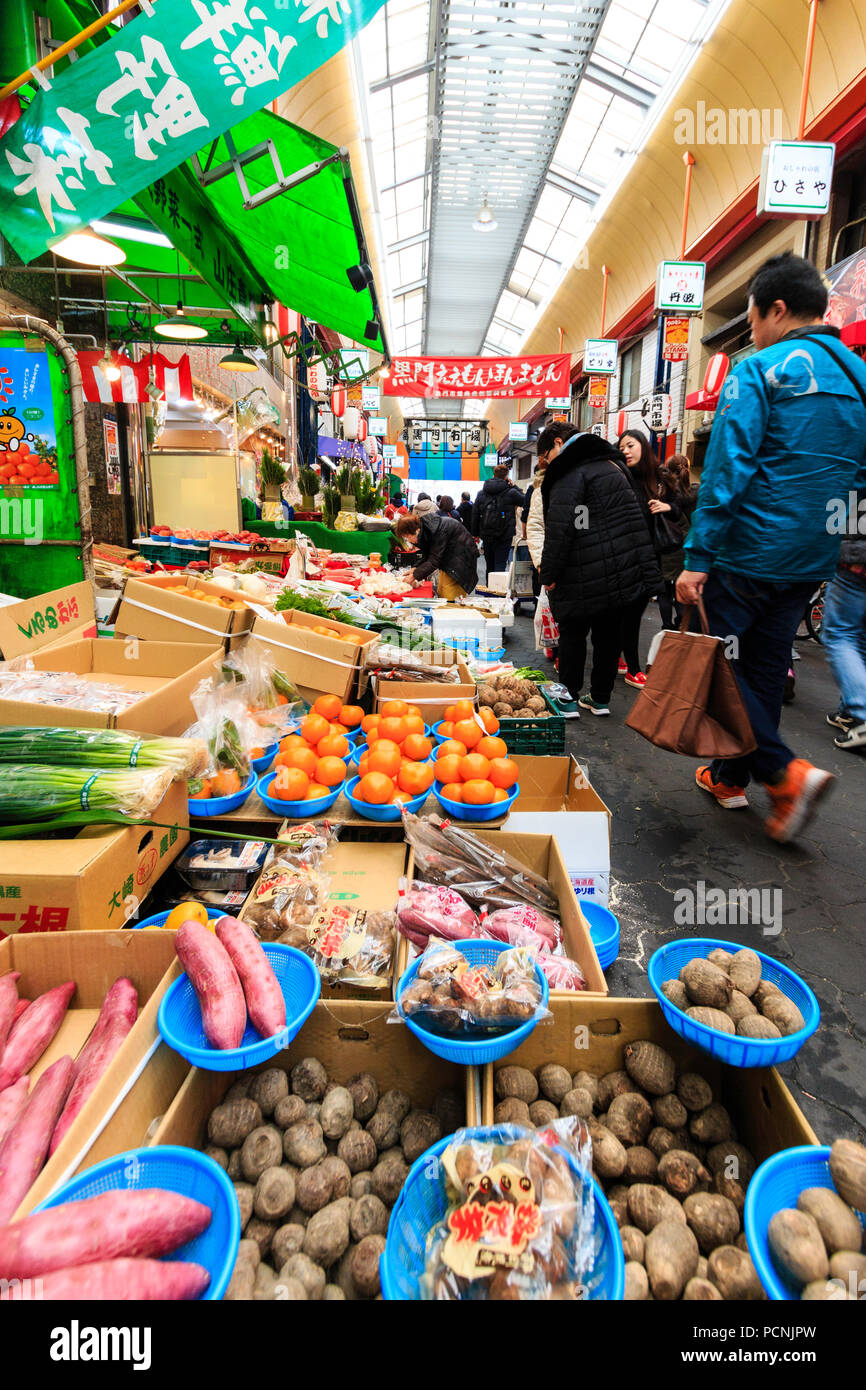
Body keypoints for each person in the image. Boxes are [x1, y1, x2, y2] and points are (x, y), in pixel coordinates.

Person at [677, 251, 866, 843]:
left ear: (777, 310)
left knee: (718, 672)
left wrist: (697, 558)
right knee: (759, 669)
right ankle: (731, 779)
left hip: (746, 553)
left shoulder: (762, 371)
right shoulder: (860, 378)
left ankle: (786, 774)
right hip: (812, 557)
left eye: (753, 320)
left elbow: (728, 470)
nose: (752, 333)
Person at [537, 423, 661, 716]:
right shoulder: (613, 466)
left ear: (558, 443)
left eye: (545, 457)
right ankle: (600, 699)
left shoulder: (570, 470)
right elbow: (635, 522)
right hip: (620, 572)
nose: (547, 464)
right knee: (608, 635)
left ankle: (567, 698)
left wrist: (549, 575)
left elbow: (561, 529)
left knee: (573, 633)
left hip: (580, 570)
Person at [616, 430, 663, 685]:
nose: (626, 451)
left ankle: (625, 660)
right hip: (622, 561)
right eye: (622, 446)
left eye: (631, 445)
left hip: (648, 560)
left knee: (632, 616)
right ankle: (632, 666)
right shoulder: (617, 478)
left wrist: (669, 507)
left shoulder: (657, 481)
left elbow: (686, 505)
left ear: (643, 447)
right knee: (625, 617)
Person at [823, 479, 866, 752]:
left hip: (857, 554)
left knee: (839, 634)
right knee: (859, 635)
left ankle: (862, 709)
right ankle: (848, 710)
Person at [655, 454, 698, 629]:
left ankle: (666, 625)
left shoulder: (665, 492)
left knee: (665, 590)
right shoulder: (695, 492)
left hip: (666, 544)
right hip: (686, 545)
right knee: (681, 587)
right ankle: (681, 621)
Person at [393, 511, 478, 600]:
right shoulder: (427, 529)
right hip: (450, 560)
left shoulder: (438, 530)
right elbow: (429, 554)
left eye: (408, 537)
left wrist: (414, 576)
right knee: (442, 590)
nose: (409, 541)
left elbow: (434, 561)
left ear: (416, 531)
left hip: (461, 561)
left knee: (449, 595)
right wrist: (415, 568)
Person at [471, 463, 526, 579]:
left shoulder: (482, 493)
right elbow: (525, 501)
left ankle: (489, 592)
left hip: (486, 535)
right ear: (506, 476)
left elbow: (475, 514)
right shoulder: (511, 492)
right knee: (500, 565)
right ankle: (498, 594)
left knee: (489, 566)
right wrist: (514, 486)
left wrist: (475, 534)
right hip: (504, 535)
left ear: (493, 475)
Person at [524, 456, 548, 601]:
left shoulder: (582, 483)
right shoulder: (538, 490)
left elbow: (582, 521)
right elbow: (535, 525)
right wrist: (540, 563)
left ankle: (536, 599)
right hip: (548, 553)